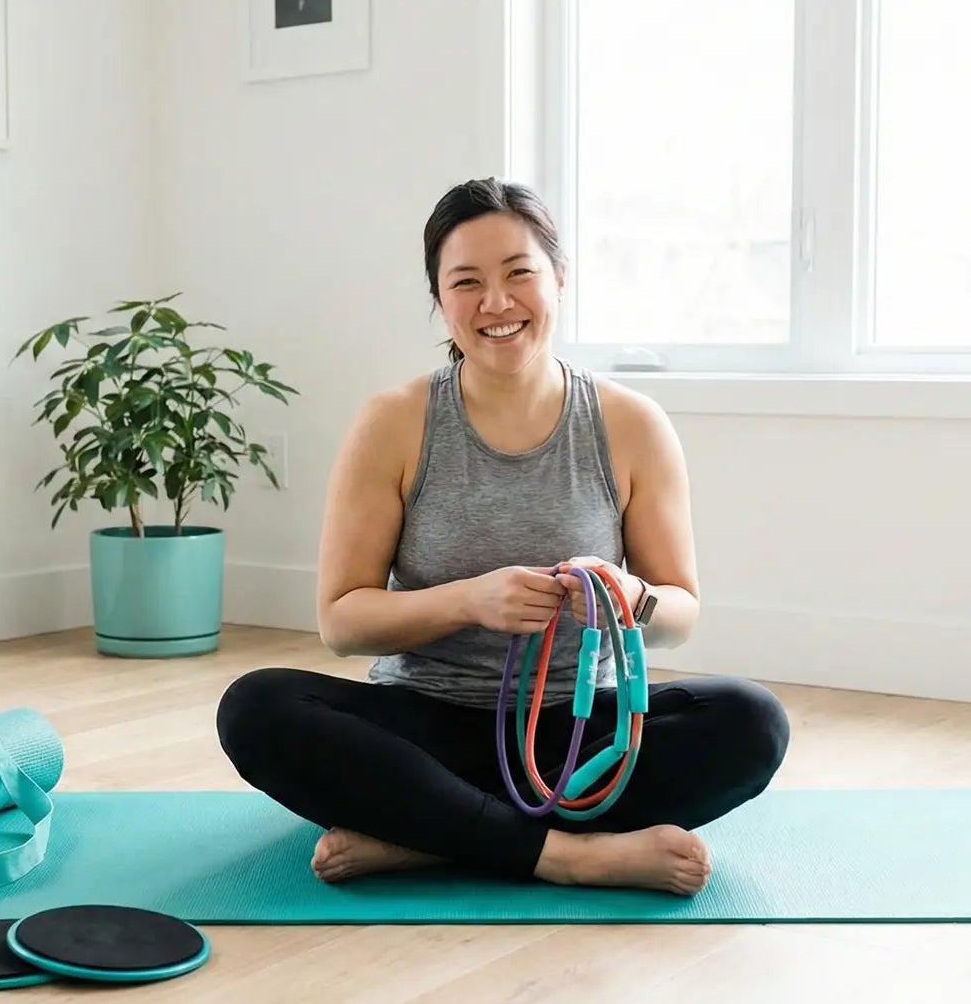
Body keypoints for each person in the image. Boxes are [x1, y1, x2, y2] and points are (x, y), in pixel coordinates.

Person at [216, 178, 790, 897]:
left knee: (753, 721)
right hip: (422, 730)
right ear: (439, 298)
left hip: (574, 738)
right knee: (255, 705)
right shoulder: (393, 422)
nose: (496, 303)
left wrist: (630, 598)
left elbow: (679, 612)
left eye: (519, 274)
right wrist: (470, 600)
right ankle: (567, 854)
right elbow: (342, 621)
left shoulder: (631, 424)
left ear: (559, 279)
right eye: (466, 282)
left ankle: (428, 837)